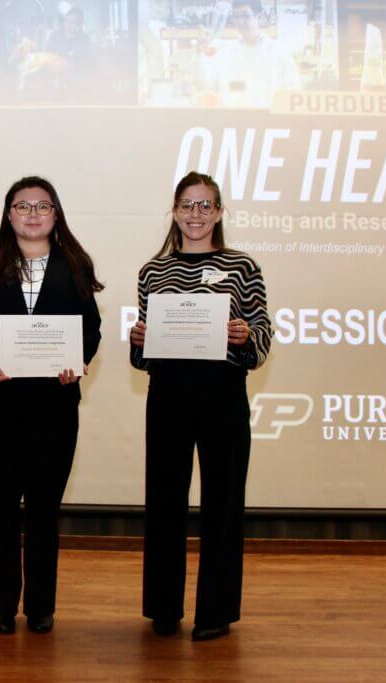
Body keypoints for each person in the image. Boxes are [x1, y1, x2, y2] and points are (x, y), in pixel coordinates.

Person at [0, 176, 102, 635]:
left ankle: (41, 606)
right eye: (23, 206)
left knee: (43, 509)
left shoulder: (75, 264)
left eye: (43, 206)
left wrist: (77, 362)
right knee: (0, 507)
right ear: (9, 214)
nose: (33, 214)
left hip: (54, 407)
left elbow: (91, 330)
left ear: (56, 215)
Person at [129, 171, 272, 641]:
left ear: (219, 212)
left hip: (222, 390)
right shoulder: (152, 271)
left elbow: (262, 334)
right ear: (174, 212)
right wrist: (138, 340)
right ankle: (163, 607)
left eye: (205, 205)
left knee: (223, 503)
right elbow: (144, 351)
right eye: (187, 205)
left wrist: (246, 335)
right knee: (164, 499)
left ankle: (216, 612)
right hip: (168, 391)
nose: (196, 214)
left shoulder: (242, 267)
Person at [208, 0, 301, 108]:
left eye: (245, 15)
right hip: (235, 115)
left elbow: (293, 89)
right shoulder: (226, 53)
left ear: (259, 17)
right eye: (236, 17)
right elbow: (215, 88)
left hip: (270, 116)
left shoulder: (279, 50)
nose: (240, 21)